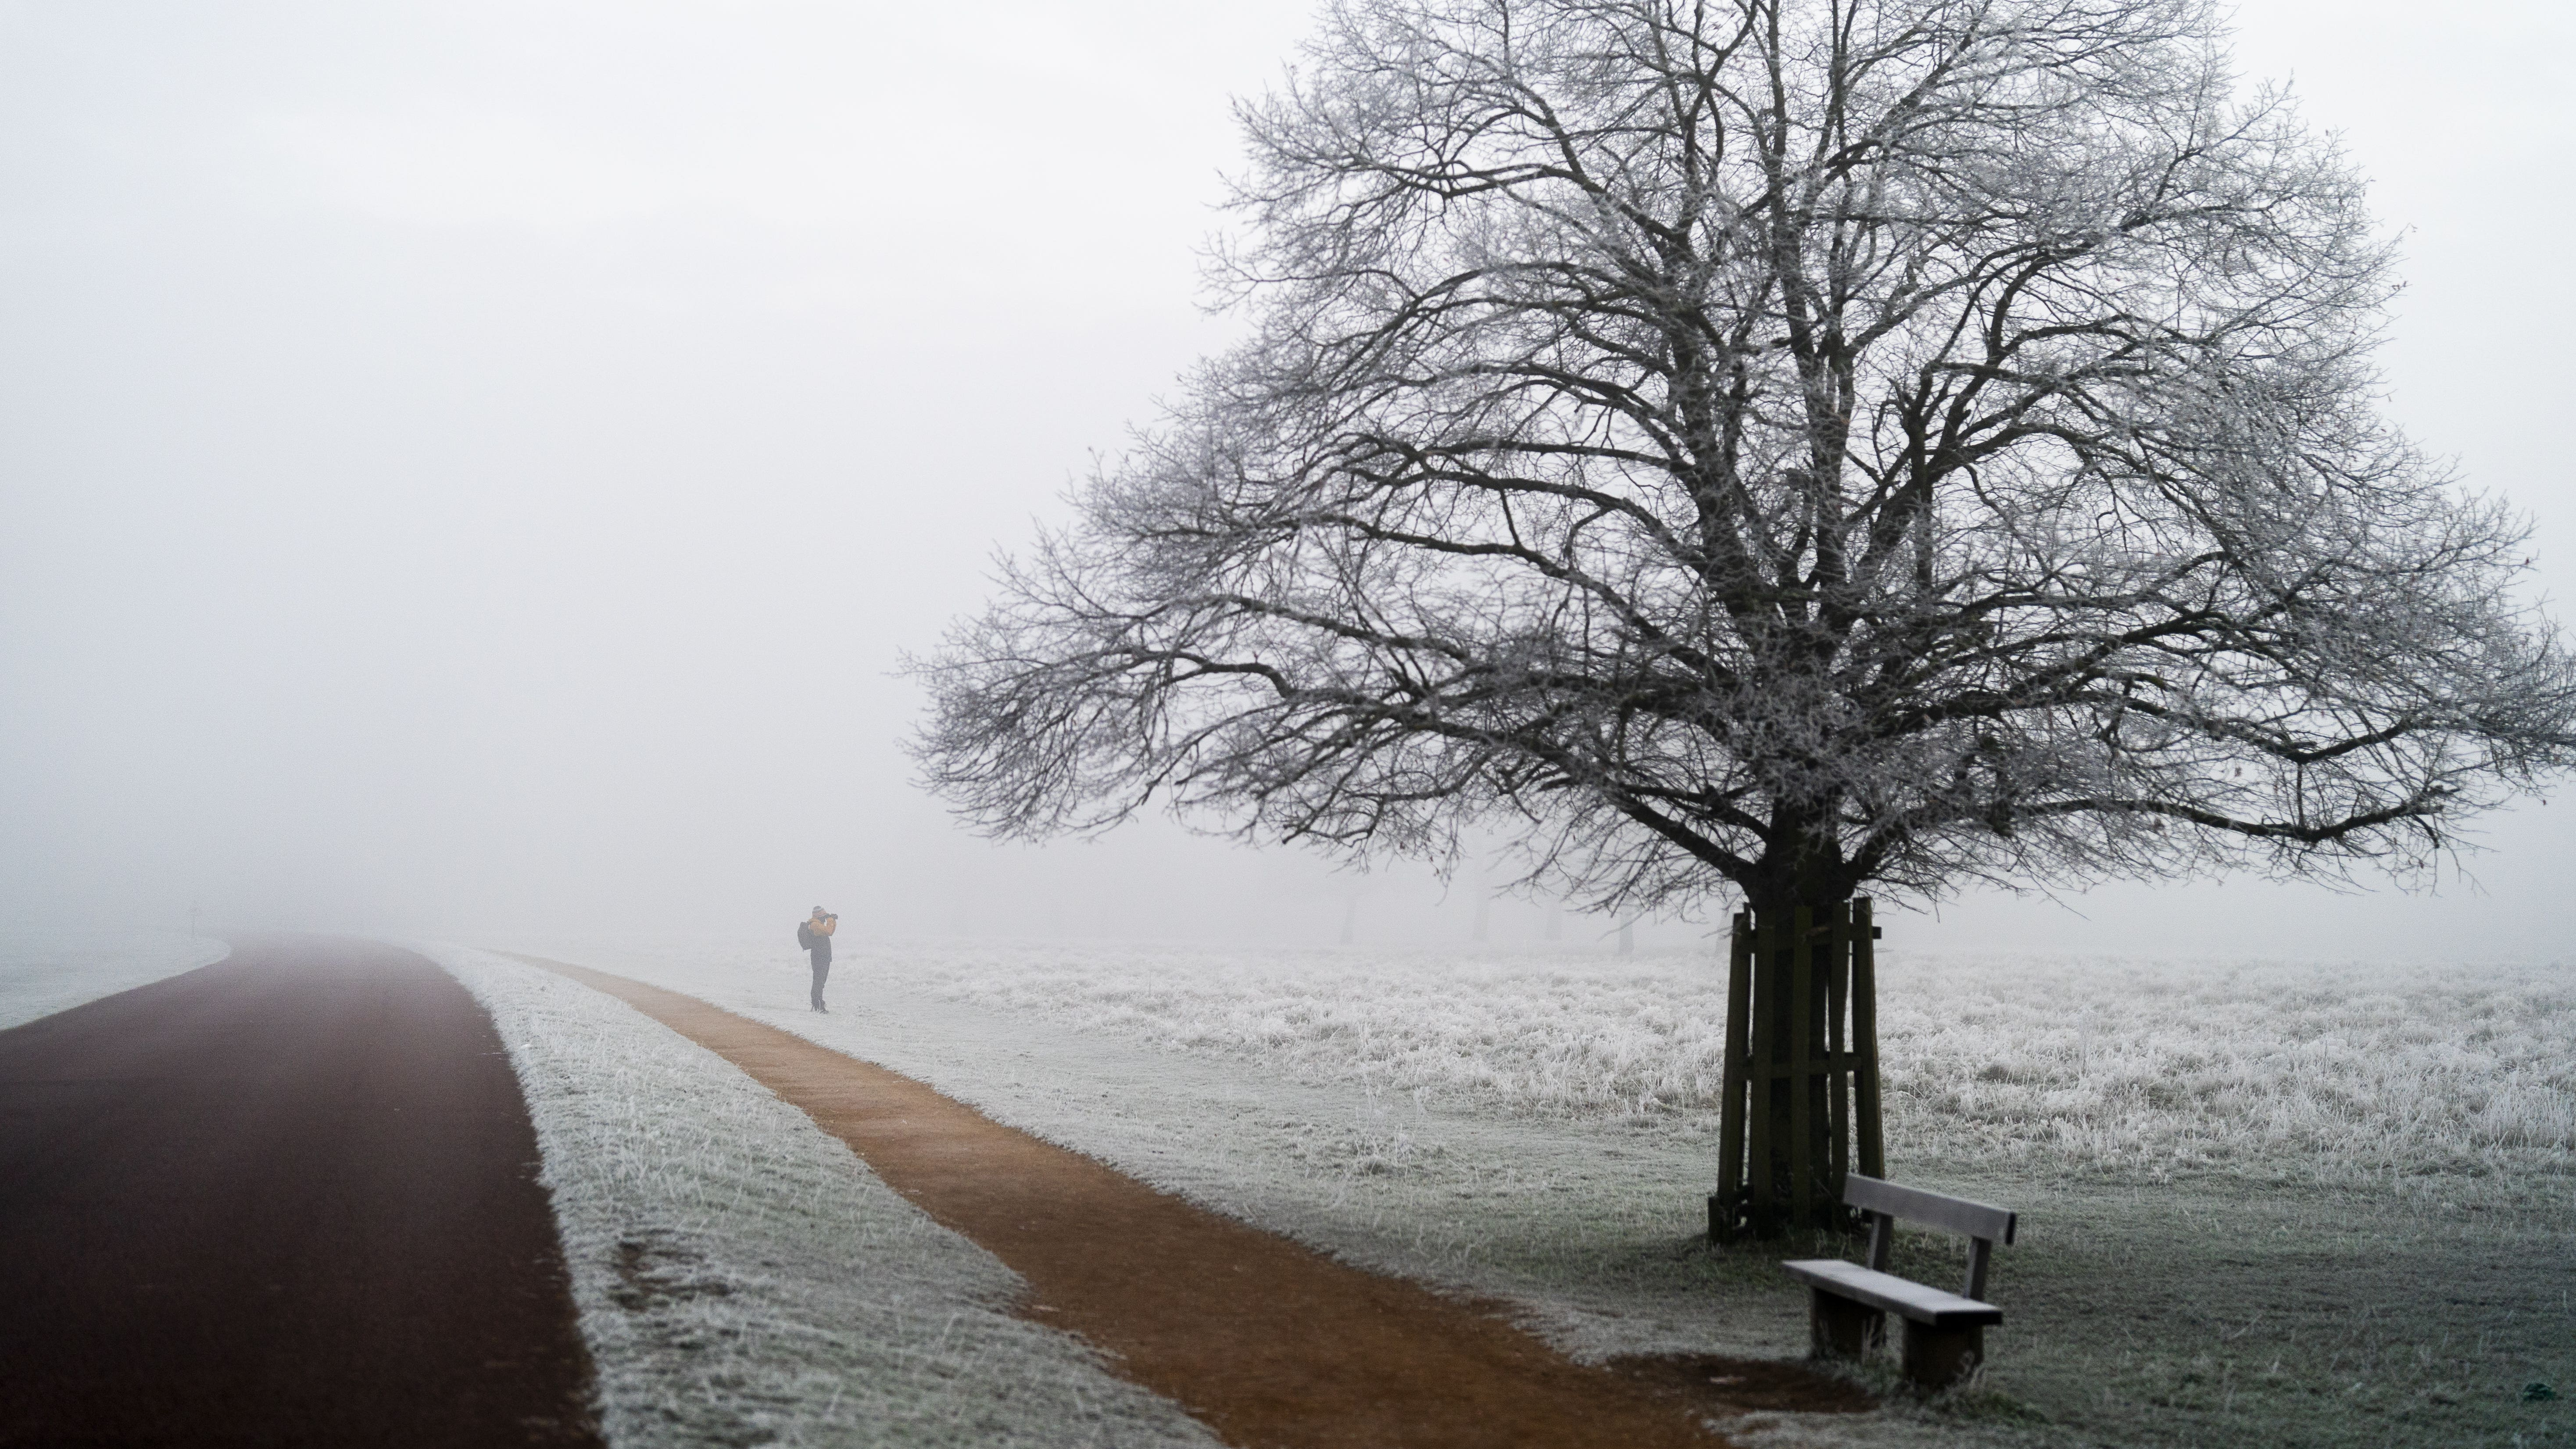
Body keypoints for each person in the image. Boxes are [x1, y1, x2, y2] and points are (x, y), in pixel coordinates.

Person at [798, 906, 837, 1012]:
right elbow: (829, 931)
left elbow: (831, 932)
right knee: (819, 981)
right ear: (820, 916)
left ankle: (818, 1004)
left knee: (821, 981)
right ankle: (818, 1004)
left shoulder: (818, 925)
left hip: (823, 957)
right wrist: (830, 920)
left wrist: (833, 921)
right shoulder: (815, 925)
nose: (825, 919)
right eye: (824, 916)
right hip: (819, 957)